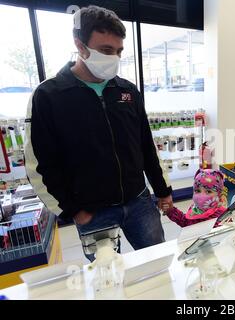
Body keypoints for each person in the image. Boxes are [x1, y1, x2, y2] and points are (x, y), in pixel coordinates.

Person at [24, 5, 173, 261]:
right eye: (106, 50)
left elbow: (146, 145)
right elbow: (40, 164)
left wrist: (162, 189)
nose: (114, 58)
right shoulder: (49, 96)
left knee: (157, 264)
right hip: (93, 212)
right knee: (107, 281)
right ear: (80, 46)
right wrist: (72, 210)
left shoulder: (127, 91)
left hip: (139, 203)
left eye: (118, 51)